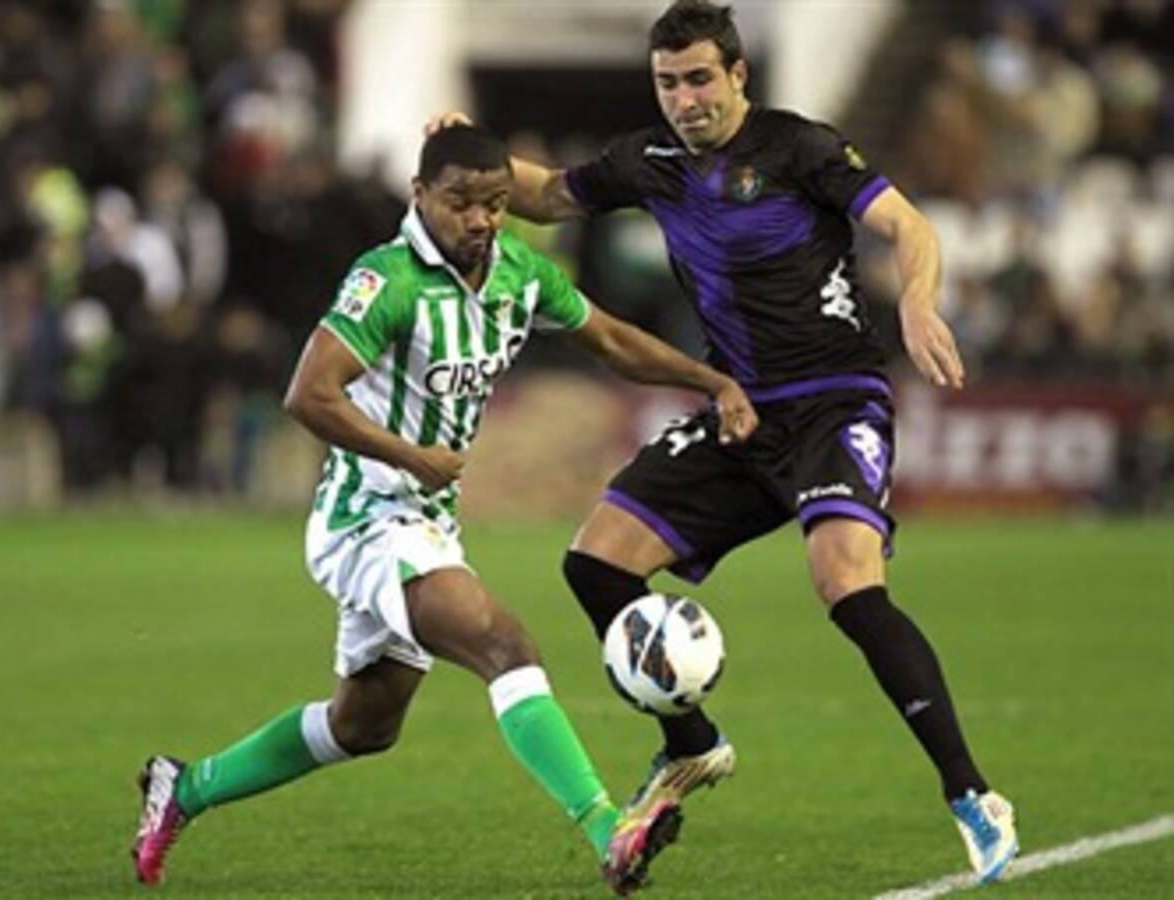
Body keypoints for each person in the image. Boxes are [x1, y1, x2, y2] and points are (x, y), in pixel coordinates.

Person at [431, 0, 1018, 884]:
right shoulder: (650, 161)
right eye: (668, 82)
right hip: (741, 411)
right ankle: (692, 742)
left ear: (738, 75)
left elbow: (909, 225)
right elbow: (548, 193)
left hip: (833, 402)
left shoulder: (799, 147)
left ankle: (972, 794)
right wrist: (471, 153)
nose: (684, 98)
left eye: (700, 77)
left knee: (846, 586)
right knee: (595, 563)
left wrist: (917, 298)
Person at [130, 124, 759, 896]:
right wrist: (409, 455)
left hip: (425, 522)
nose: (481, 219)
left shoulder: (516, 276)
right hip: (365, 518)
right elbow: (308, 393)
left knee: (364, 725)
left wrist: (713, 381)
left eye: (495, 203)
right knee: (505, 644)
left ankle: (182, 787)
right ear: (420, 196)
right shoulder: (385, 280)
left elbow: (612, 341)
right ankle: (610, 829)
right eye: (461, 201)